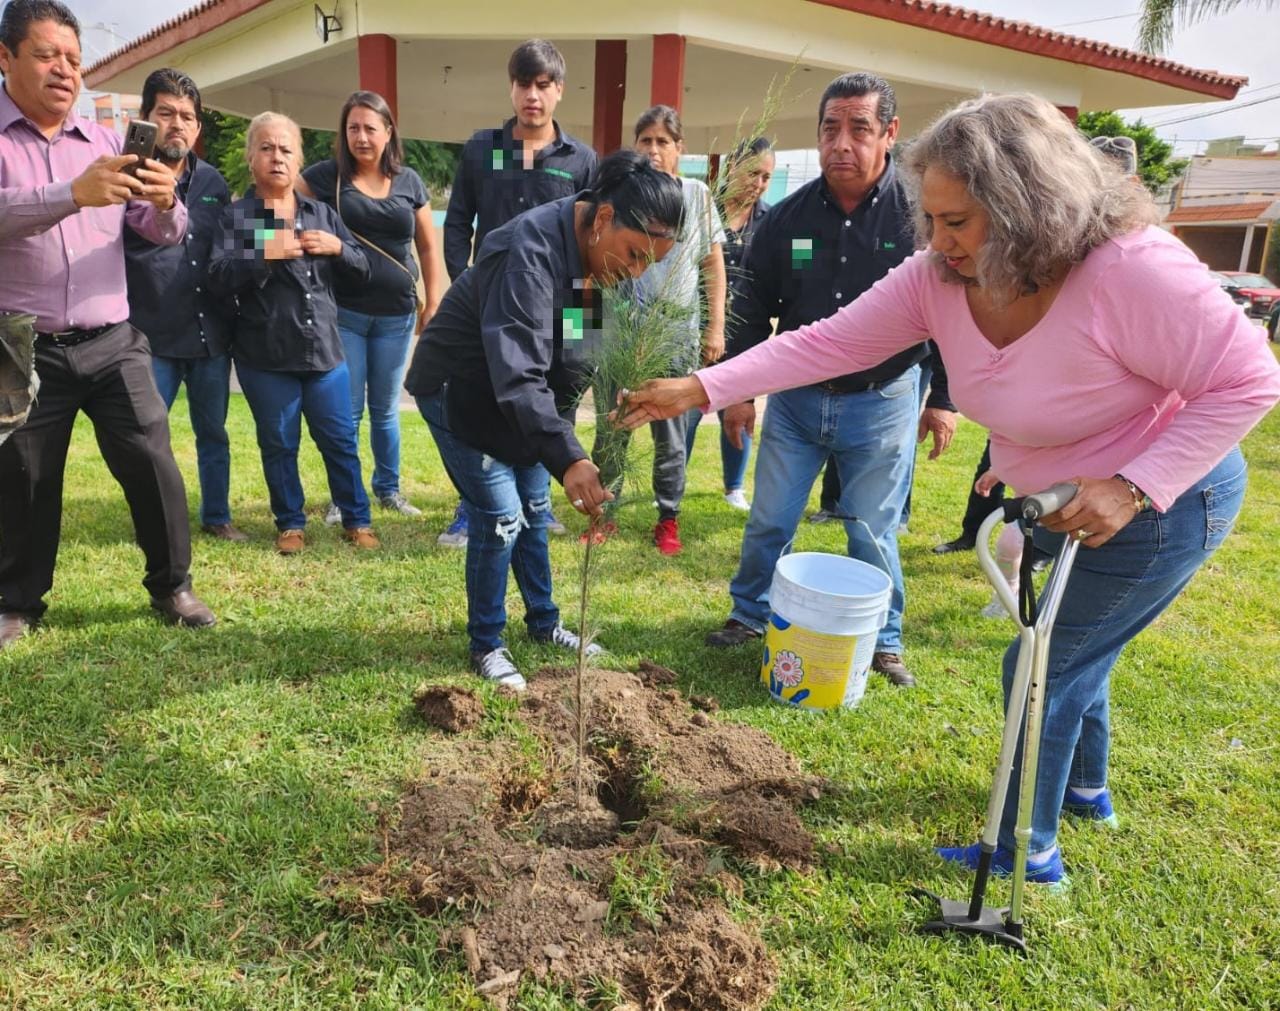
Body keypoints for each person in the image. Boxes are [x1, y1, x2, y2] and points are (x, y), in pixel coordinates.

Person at [618, 92, 1280, 884]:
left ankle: (1026, 855)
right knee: (1076, 648)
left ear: (1027, 208)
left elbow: (1247, 380)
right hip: (1060, 499)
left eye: (958, 222)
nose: (938, 242)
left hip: (1169, 502)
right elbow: (822, 344)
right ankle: (1086, 791)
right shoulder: (935, 279)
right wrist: (701, 387)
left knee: (1039, 664)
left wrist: (1134, 486)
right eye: (929, 220)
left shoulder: (1129, 269)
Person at [698, 72, 957, 689]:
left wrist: (942, 399)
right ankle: (749, 613)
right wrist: (737, 394)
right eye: (829, 129)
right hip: (796, 403)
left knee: (873, 528)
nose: (841, 143)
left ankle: (884, 639)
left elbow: (952, 308)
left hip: (884, 401)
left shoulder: (920, 217)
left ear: (889, 134)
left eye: (858, 129)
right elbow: (750, 309)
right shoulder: (785, 219)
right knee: (770, 519)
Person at [404, 150, 684, 691]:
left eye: (650, 263)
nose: (635, 272)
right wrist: (570, 456)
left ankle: (544, 623)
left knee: (535, 508)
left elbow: (577, 351)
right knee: (502, 516)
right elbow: (516, 372)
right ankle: (487, 641)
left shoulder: (596, 260)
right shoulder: (524, 252)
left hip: (519, 400)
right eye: (632, 255)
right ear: (603, 219)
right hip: (459, 389)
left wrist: (605, 398)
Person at [0, 0, 216, 650]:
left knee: (152, 461)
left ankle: (172, 586)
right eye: (46, 55)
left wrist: (164, 203)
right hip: (22, 344)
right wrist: (72, 193)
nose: (64, 70)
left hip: (113, 338)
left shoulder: (103, 141)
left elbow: (158, 230)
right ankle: (16, 600)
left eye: (72, 57)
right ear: (5, 58)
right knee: (24, 477)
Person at [438, 38, 596, 548]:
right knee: (484, 397)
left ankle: (540, 503)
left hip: (559, 311)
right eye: (523, 84)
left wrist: (587, 327)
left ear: (559, 92)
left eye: (543, 85)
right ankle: (474, 508)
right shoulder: (482, 149)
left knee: (558, 393)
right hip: (494, 309)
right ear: (511, 88)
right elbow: (458, 219)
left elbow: (592, 235)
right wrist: (464, 281)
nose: (533, 95)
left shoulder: (582, 161)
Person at [207, 112, 376, 556]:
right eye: (266, 148)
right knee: (279, 442)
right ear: (250, 158)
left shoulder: (321, 214)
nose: (276, 157)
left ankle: (356, 519)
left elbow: (363, 271)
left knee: (340, 439)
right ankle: (289, 523)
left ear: (299, 158)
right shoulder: (238, 218)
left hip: (324, 351)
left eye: (285, 149)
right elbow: (218, 277)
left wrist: (340, 247)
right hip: (265, 354)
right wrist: (265, 253)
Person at [299, 90, 445, 523]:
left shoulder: (409, 181)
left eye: (370, 128)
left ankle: (388, 489)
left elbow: (427, 246)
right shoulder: (327, 178)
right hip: (344, 311)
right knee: (347, 410)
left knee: (385, 409)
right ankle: (345, 496)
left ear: (388, 132)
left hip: (397, 314)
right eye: (352, 128)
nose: (361, 137)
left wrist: (433, 300)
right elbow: (283, 194)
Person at [589, 105, 726, 556]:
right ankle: (603, 511)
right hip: (618, 334)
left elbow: (712, 265)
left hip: (673, 337)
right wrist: (583, 335)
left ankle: (667, 517)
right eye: (644, 140)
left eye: (662, 141)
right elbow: (590, 267)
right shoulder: (619, 194)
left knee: (669, 436)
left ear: (679, 149)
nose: (652, 149)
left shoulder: (696, 196)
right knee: (612, 428)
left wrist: (715, 327)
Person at [125, 68, 244, 542]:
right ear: (146, 118)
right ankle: (152, 521)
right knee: (146, 440)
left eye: (187, 117)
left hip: (210, 334)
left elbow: (233, 251)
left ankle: (217, 516)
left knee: (213, 433)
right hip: (149, 335)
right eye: (166, 113)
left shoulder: (214, 181)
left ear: (197, 128)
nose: (177, 124)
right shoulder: (125, 177)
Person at [684, 137, 774, 513]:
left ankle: (734, 487)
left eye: (767, 177)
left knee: (739, 409)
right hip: (699, 330)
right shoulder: (705, 213)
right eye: (753, 173)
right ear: (732, 169)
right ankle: (674, 480)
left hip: (746, 333)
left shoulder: (772, 222)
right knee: (686, 412)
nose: (759, 183)